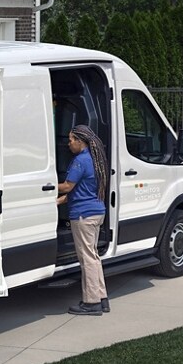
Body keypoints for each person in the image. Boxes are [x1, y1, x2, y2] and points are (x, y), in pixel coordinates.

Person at [56, 124, 110, 316]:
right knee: (93, 256)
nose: (68, 143)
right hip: (96, 212)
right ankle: (101, 298)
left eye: (71, 140)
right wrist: (56, 202)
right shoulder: (94, 159)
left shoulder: (80, 161)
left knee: (87, 259)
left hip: (83, 216)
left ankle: (91, 302)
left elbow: (67, 187)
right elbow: (81, 190)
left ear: (80, 141)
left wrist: (45, 185)